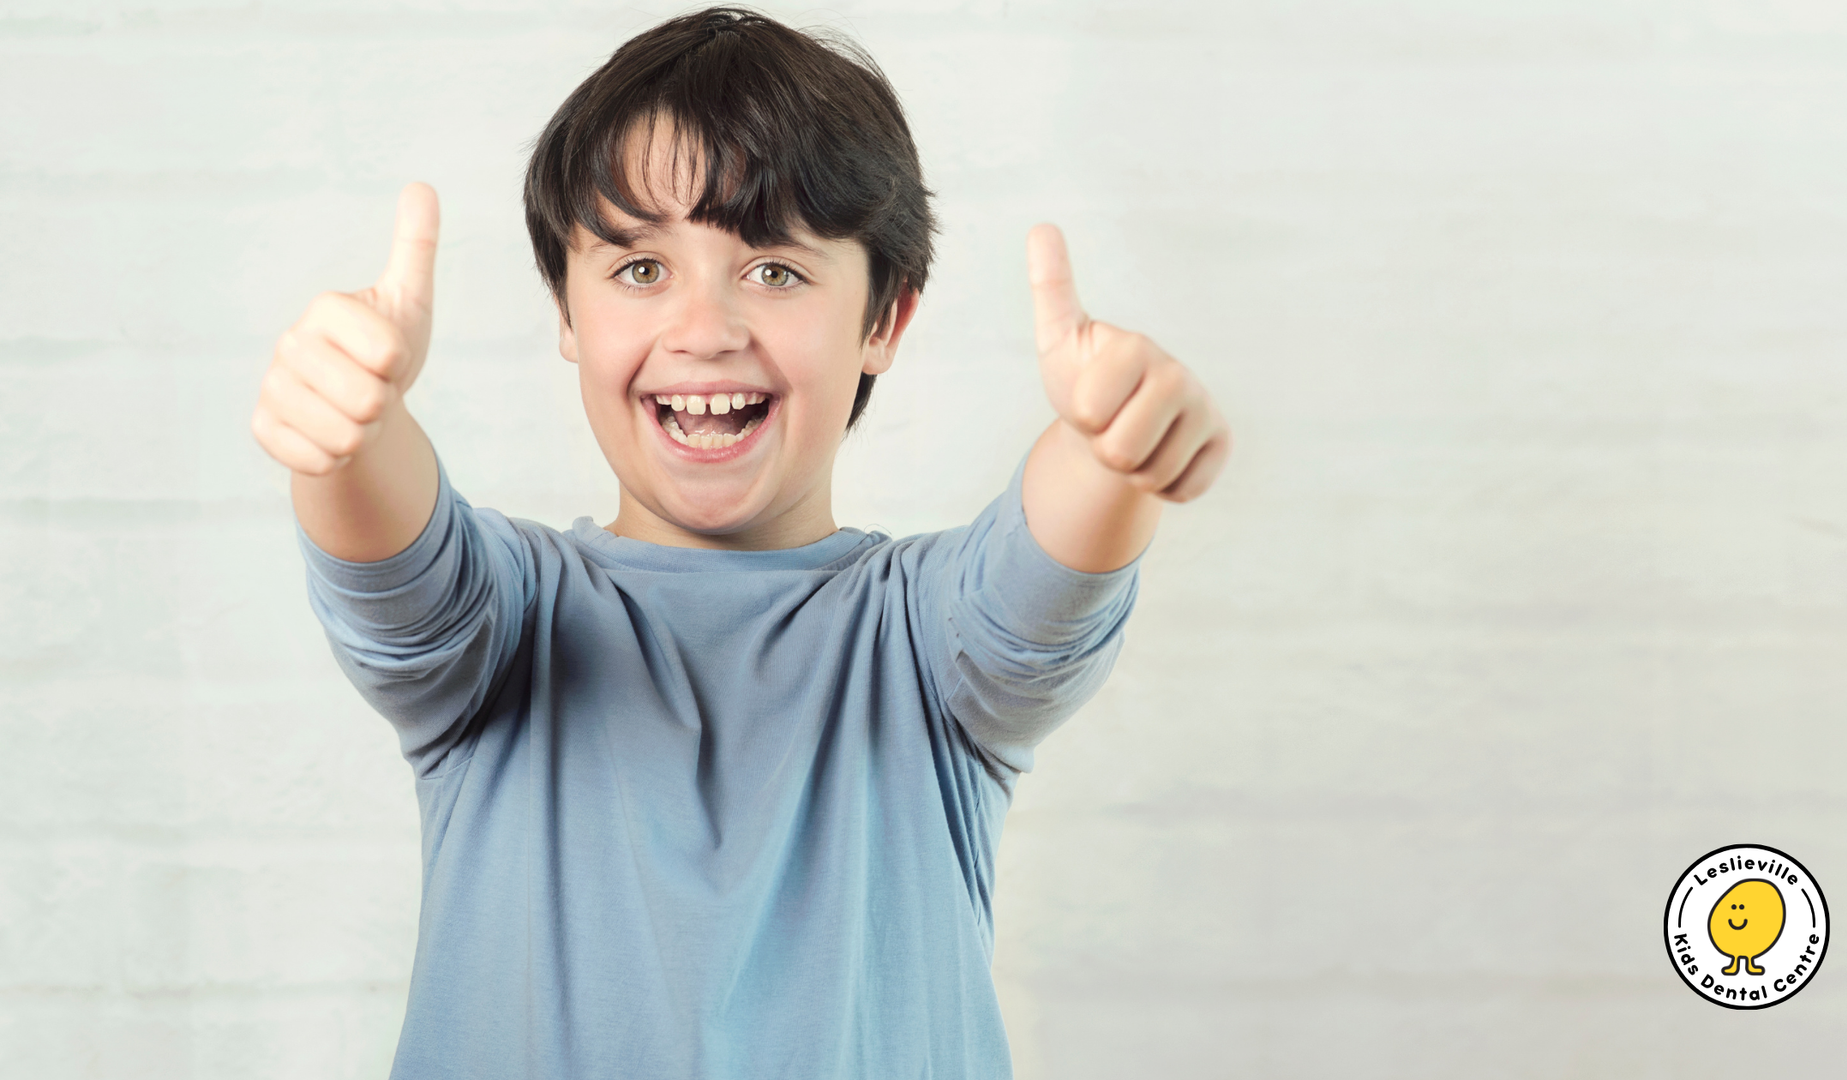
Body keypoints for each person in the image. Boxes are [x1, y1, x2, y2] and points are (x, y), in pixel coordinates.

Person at [249, 7, 1229, 1078]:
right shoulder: (505, 622)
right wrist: (347, 431)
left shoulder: (928, 642)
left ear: (883, 323)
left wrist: (1114, 443)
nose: (705, 329)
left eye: (774, 269)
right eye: (639, 270)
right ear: (566, 316)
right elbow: (393, 551)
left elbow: (1050, 559)